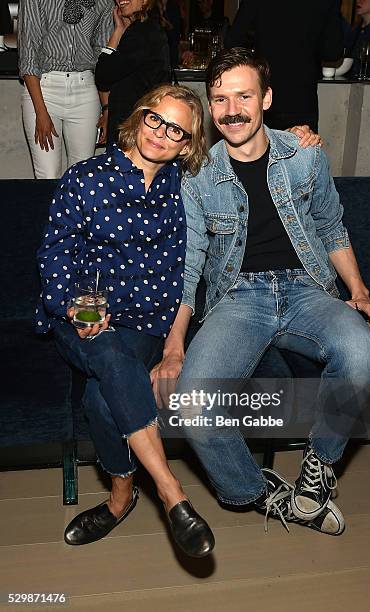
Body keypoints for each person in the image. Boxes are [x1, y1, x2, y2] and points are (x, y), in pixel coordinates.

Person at [152, 47, 370, 531]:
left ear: (267, 99)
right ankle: (255, 492)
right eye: (219, 99)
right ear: (211, 107)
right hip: (239, 298)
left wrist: (358, 291)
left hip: (306, 289)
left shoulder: (303, 155)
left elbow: (331, 226)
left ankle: (319, 466)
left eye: (243, 96)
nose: (231, 110)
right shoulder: (195, 176)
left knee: (363, 353)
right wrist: (174, 346)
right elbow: (190, 263)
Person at [35, 84, 215, 558]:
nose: (161, 133)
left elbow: (251, 151)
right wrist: (75, 305)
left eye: (176, 129)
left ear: (187, 144)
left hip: (145, 324)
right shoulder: (86, 176)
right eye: (156, 119)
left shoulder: (188, 189)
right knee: (109, 355)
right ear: (139, 116)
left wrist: (300, 137)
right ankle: (172, 493)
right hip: (80, 313)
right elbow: (55, 253)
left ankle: (121, 497)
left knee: (101, 397)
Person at [18, 0, 113, 179]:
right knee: (47, 175)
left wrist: (107, 108)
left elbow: (103, 60)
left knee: (82, 177)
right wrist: (41, 111)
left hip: (86, 89)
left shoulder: (103, 2)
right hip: (44, 89)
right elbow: (28, 54)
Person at [225, 0, 343, 132]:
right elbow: (332, 52)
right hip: (300, 96)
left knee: (256, 150)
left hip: (263, 91)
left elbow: (233, 42)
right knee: (301, 148)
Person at [95, 0, 172, 146]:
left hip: (134, 128)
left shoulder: (141, 32)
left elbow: (102, 75)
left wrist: (118, 31)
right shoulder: (150, 27)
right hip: (144, 125)